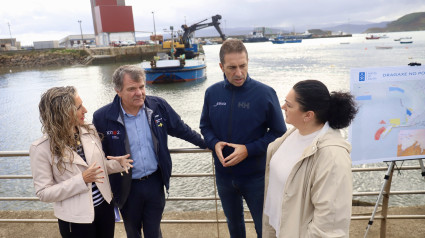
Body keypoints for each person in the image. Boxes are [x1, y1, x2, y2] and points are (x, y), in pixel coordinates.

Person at [92, 65, 206, 238]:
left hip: (154, 183)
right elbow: (96, 153)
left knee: (154, 232)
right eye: (131, 89)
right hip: (126, 186)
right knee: (133, 232)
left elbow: (181, 129)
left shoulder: (158, 106)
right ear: (118, 91)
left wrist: (207, 144)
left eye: (142, 87)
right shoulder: (102, 117)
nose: (139, 93)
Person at [200, 39, 287, 237]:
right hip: (223, 176)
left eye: (243, 66)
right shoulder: (212, 93)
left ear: (248, 62)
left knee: (263, 228)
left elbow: (279, 133)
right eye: (231, 68)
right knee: (234, 225)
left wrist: (248, 150)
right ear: (221, 66)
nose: (238, 73)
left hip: (256, 176)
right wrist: (214, 143)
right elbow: (205, 126)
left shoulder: (265, 93)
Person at [30, 86, 133, 238]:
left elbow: (97, 167)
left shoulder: (90, 131)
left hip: (105, 208)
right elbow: (44, 193)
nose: (85, 110)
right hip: (75, 219)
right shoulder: (41, 149)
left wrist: (118, 164)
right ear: (63, 114)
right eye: (78, 107)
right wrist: (81, 180)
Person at [262, 79, 358, 237]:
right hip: (279, 229)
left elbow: (330, 223)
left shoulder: (333, 156)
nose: (283, 107)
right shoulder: (293, 134)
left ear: (308, 115)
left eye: (289, 105)